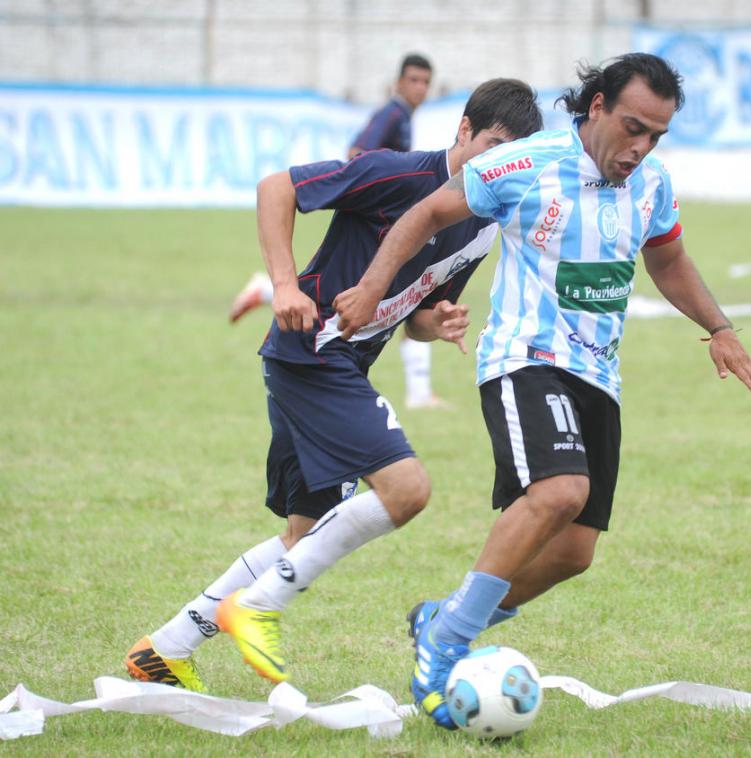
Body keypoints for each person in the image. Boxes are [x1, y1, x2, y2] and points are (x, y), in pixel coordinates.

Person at [332, 53, 751, 728]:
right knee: (561, 492)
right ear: (595, 106)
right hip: (524, 358)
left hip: (599, 373)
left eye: (656, 134)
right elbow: (424, 215)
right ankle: (446, 646)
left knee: (573, 552)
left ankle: (443, 616)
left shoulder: (650, 183)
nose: (641, 146)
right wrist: (371, 286)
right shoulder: (524, 164)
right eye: (632, 127)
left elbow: (669, 257)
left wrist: (719, 327)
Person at [124, 78, 544, 691]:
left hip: (328, 363)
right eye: (492, 144)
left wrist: (438, 321)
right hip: (314, 353)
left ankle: (164, 649)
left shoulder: (482, 223)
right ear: (461, 131)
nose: (497, 163)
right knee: (406, 490)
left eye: (512, 155)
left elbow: (417, 318)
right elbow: (278, 188)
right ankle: (256, 608)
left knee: (303, 534)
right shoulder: (400, 175)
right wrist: (285, 284)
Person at [229, 53, 443, 409]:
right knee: (399, 291)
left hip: (389, 215)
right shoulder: (392, 112)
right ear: (399, 82)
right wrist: (376, 184)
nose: (419, 88)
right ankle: (418, 393)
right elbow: (357, 150)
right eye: (414, 80)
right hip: (378, 215)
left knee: (391, 294)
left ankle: (266, 293)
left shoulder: (403, 115)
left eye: (425, 82)